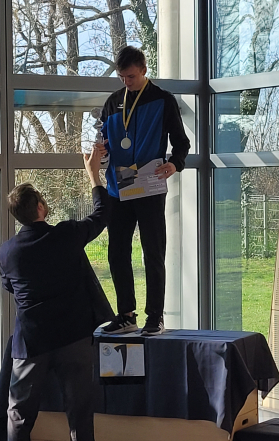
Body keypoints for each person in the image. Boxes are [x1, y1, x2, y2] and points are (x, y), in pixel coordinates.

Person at [0, 146, 113, 441]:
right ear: (41, 207)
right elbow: (102, 215)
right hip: (74, 336)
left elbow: (9, 287)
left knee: (19, 415)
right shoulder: (66, 234)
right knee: (80, 414)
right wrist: (93, 175)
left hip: (31, 341)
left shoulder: (5, 252)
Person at [97, 45, 190, 336]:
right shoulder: (113, 102)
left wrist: (175, 163)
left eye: (132, 76)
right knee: (117, 253)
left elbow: (181, 142)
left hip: (149, 185)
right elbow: (105, 142)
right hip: (119, 188)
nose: (127, 82)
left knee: (153, 252)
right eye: (122, 77)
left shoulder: (163, 99)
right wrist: (101, 153)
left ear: (144, 70)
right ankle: (126, 315)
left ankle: (155, 316)